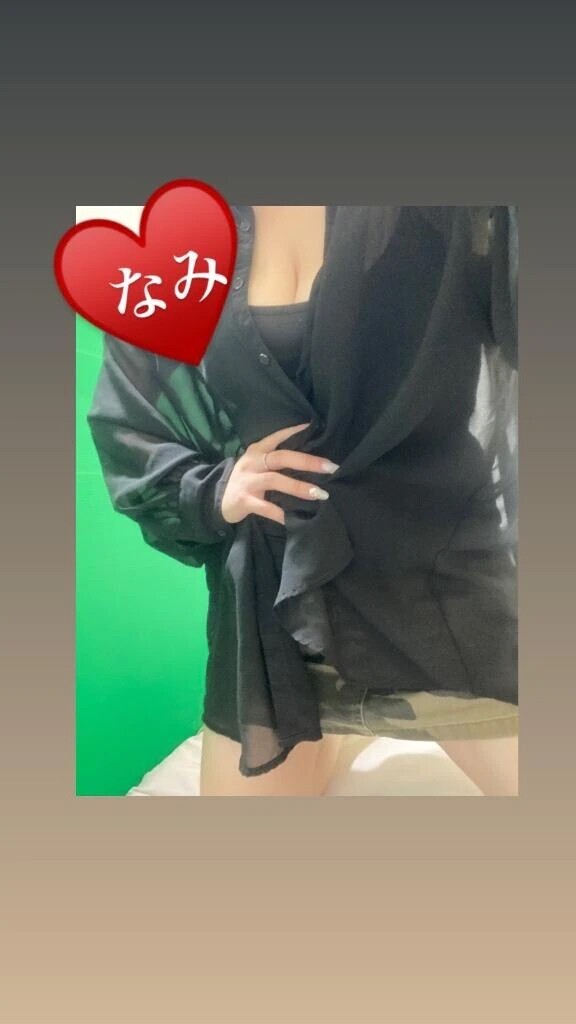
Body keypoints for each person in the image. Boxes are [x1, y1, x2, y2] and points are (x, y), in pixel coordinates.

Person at [87, 205, 519, 797]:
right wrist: (213, 489)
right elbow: (128, 416)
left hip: (438, 592)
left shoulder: (443, 209)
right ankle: (339, 736)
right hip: (272, 621)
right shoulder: (183, 243)